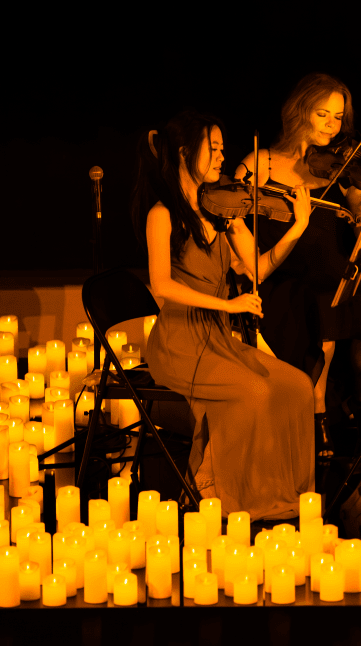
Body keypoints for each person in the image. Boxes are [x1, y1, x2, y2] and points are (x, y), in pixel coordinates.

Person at [133, 109, 316, 521]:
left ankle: (279, 493)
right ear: (184, 153)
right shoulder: (162, 216)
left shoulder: (223, 212)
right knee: (254, 392)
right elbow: (161, 286)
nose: (221, 157)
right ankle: (220, 490)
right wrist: (230, 305)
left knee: (298, 387)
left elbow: (258, 268)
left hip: (217, 340)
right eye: (211, 149)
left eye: (221, 148)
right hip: (179, 344)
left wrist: (296, 228)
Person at [233, 73, 361, 457]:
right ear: (301, 112)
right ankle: (317, 414)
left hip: (330, 277)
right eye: (323, 115)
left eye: (338, 117)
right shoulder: (259, 164)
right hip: (280, 278)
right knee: (323, 304)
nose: (332, 126)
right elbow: (234, 231)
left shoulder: (344, 171)